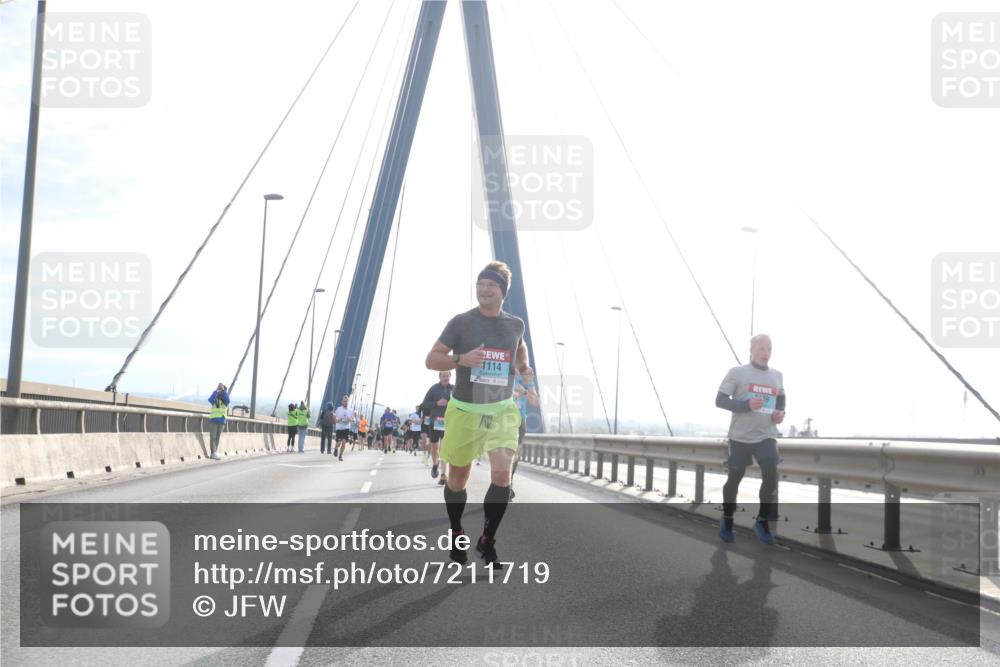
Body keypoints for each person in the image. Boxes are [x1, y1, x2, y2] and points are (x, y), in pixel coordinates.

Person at [425, 261, 529, 568]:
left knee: (501, 476)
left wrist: (522, 367)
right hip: (465, 410)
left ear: (502, 292)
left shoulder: (515, 325)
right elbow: (431, 359)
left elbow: (520, 349)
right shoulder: (461, 322)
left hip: (501, 411)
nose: (484, 290)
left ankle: (487, 542)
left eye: (491, 285)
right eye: (480, 284)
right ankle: (457, 534)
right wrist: (461, 359)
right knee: (457, 480)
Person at [715, 334, 786, 545]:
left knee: (771, 472)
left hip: (766, 434)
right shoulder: (737, 373)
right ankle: (727, 518)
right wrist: (746, 405)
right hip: (740, 436)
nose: (766, 353)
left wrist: (780, 413)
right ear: (752, 350)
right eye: (762, 348)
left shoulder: (777, 375)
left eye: (769, 349)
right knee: (735, 476)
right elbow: (719, 400)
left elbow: (780, 399)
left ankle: (762, 521)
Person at [509, 371, 539, 499]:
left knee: (514, 454)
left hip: (520, 419)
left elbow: (535, 402)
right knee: (503, 452)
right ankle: (501, 482)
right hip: (503, 418)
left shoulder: (527, 375)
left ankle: (508, 483)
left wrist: (525, 392)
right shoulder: (506, 368)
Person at [420, 370, 453, 485]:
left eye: (447, 376)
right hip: (435, 422)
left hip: (449, 422)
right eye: (443, 376)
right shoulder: (433, 389)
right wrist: (436, 403)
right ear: (439, 377)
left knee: (444, 448)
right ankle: (435, 464)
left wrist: (450, 403)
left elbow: (460, 404)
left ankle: (444, 474)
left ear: (450, 377)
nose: (445, 378)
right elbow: (424, 404)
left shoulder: (454, 389)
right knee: (435, 448)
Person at [207, 383, 230, 460]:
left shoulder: (225, 400)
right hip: (214, 419)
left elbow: (228, 400)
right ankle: (213, 452)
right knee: (213, 437)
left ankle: (214, 452)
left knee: (217, 438)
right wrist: (216, 391)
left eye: (222, 391)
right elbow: (210, 399)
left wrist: (223, 391)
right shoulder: (215, 399)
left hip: (222, 420)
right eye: (220, 391)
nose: (221, 392)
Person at [334, 395, 355, 460]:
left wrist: (350, 419)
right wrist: (337, 420)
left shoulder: (351, 410)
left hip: (346, 428)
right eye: (344, 401)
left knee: (343, 442)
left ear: (348, 402)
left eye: (346, 401)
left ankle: (340, 455)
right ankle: (336, 448)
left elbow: (353, 419)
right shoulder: (338, 409)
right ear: (342, 402)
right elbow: (334, 417)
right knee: (339, 443)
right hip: (339, 428)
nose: (345, 402)